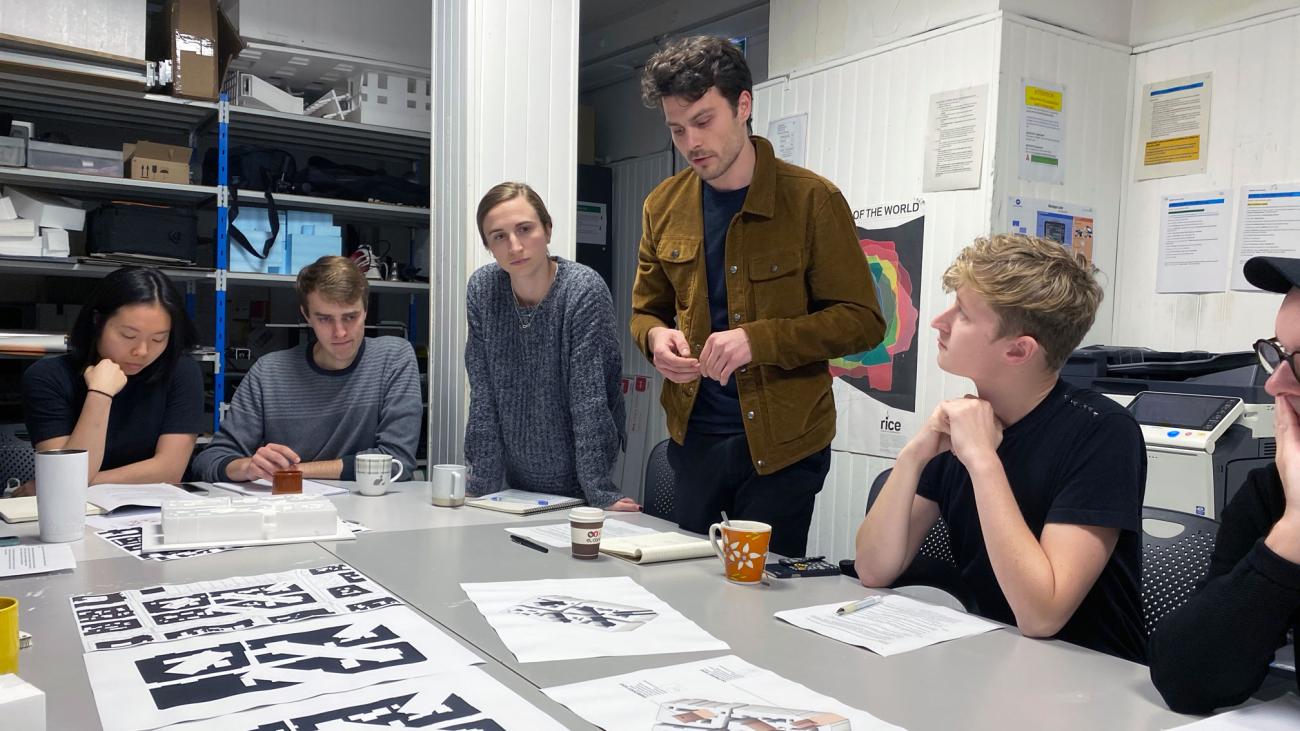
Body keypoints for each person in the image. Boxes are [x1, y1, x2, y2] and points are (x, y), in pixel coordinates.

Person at [630, 36, 885, 557]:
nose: (691, 142)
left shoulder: (813, 200)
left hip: (785, 444)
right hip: (694, 436)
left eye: (704, 121)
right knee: (687, 585)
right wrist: (655, 338)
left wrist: (758, 340)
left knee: (759, 596)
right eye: (677, 129)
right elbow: (645, 311)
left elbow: (862, 321)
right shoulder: (663, 205)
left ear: (743, 105)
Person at [853, 234, 1147, 663]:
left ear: (1018, 349)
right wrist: (915, 454)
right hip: (996, 658)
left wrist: (983, 462)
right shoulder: (967, 420)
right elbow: (873, 568)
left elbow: (1041, 615)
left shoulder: (1103, 433)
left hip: (1087, 674)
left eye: (964, 315)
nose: (940, 321)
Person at [1148, 255, 1300, 712]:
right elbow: (1186, 678)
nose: (1275, 385)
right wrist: (1294, 530)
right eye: (1277, 355)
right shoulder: (1273, 493)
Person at [464, 182, 637, 510]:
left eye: (525, 229)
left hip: (580, 480)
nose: (514, 245)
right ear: (488, 245)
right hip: (514, 487)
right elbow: (483, 393)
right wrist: (479, 486)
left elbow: (590, 400)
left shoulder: (582, 290)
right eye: (499, 236)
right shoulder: (483, 290)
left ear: (547, 229)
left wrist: (599, 492)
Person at [190, 255, 421, 483]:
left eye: (350, 317)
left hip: (370, 512)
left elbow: (397, 462)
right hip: (290, 510)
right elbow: (208, 461)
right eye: (325, 319)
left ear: (366, 310)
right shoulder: (269, 373)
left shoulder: (394, 358)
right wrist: (248, 467)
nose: (340, 332)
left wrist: (293, 471)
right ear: (306, 315)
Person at [17, 266, 202, 491]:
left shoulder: (181, 371)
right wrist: (100, 394)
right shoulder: (47, 377)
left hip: (155, 509)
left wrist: (70, 484)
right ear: (98, 322)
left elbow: (169, 471)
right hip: (74, 513)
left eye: (158, 339)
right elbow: (66, 472)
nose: (142, 351)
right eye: (128, 336)